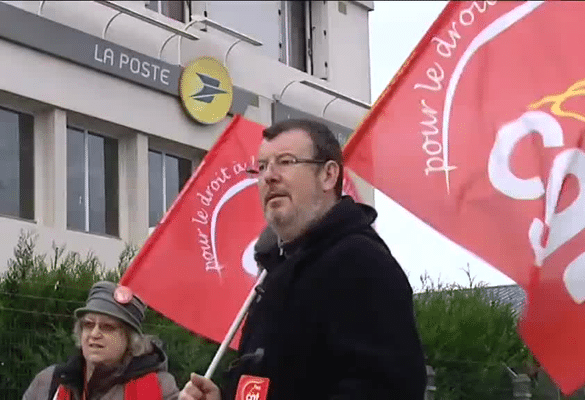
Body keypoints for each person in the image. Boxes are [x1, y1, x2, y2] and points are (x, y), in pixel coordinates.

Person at [179, 119, 427, 400]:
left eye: (285, 162)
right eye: (261, 167)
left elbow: (385, 389)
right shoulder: (275, 270)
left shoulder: (361, 264)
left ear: (328, 175)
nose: (269, 177)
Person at [23, 280, 179, 400]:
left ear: (130, 340)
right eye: (88, 324)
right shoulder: (50, 382)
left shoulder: (159, 388)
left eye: (107, 327)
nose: (94, 333)